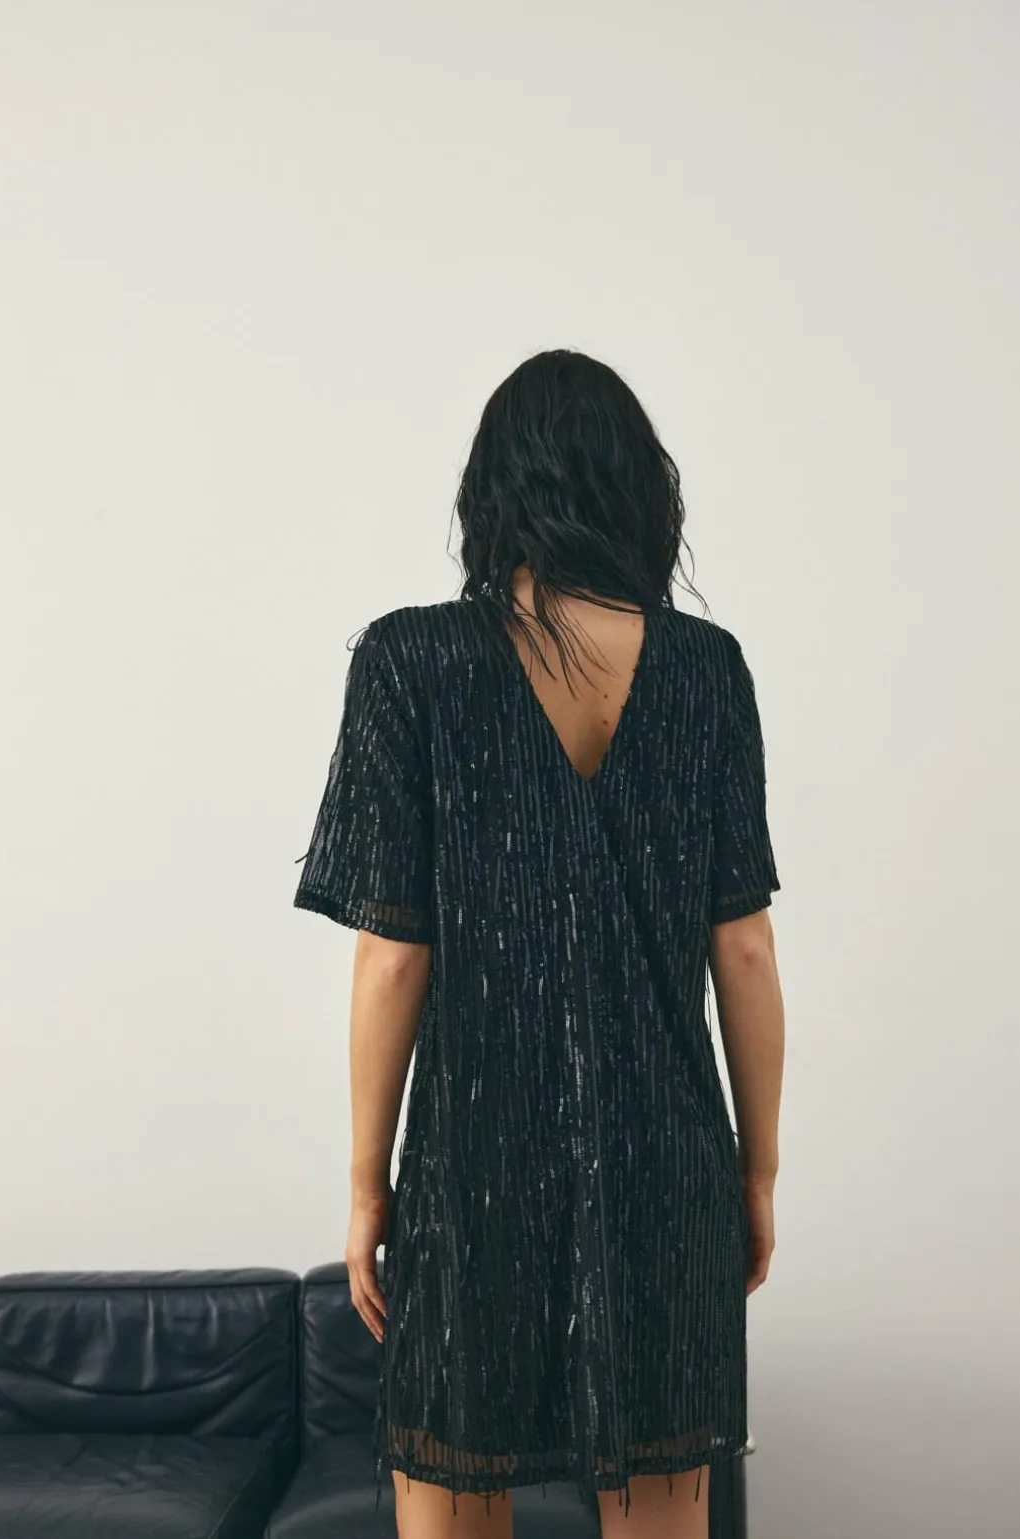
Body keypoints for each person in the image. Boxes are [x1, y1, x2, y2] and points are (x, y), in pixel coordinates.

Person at [293, 349, 786, 1539]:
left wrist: (366, 1186)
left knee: (453, 1494)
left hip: (471, 1165)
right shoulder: (706, 670)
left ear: (492, 490)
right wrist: (754, 1175)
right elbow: (745, 953)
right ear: (638, 491)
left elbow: (392, 955)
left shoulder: (408, 661)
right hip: (668, 1160)